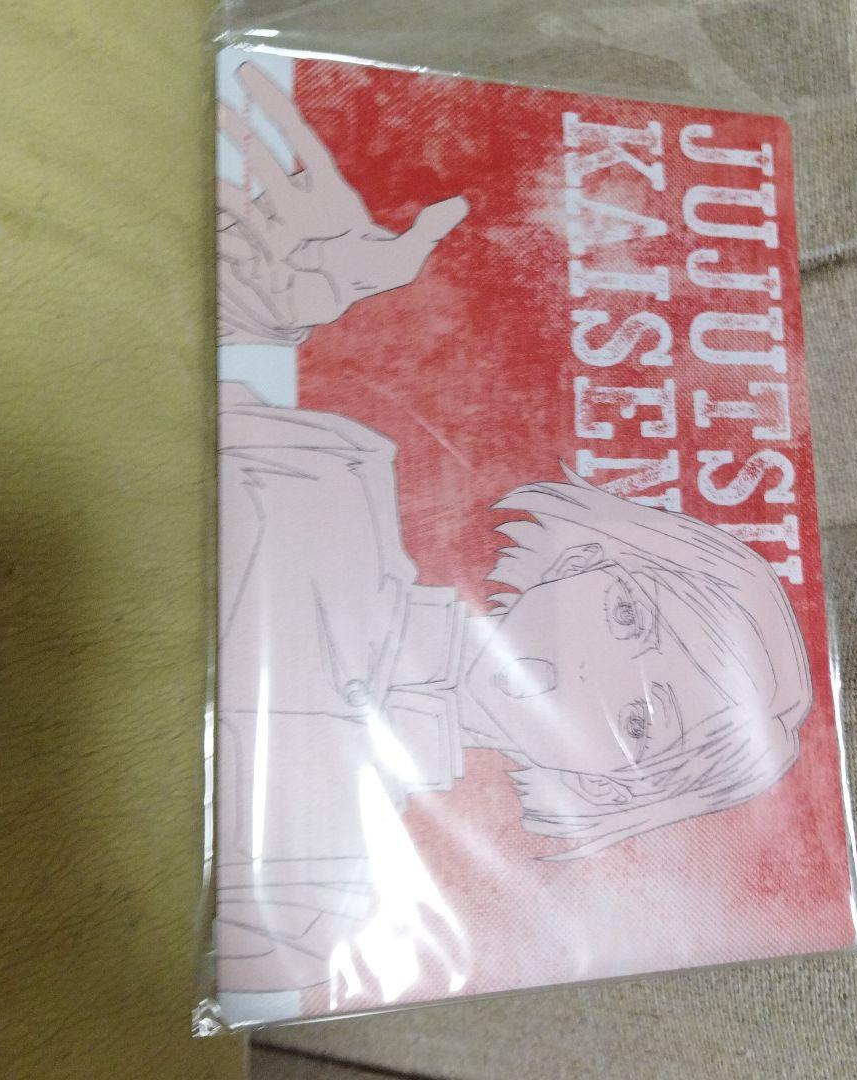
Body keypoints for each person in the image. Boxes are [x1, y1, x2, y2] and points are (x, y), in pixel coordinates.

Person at [213, 63, 813, 1006]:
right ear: (590, 557)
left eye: (641, 723)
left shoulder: (342, 899)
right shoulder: (339, 476)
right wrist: (255, 315)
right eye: (628, 614)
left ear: (609, 788)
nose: (584, 673)